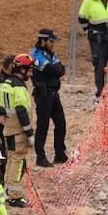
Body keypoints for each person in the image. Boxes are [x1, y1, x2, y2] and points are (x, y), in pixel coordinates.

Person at [30, 28, 68, 167]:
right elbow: (52, 70)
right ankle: (40, 157)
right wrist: (55, 70)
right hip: (43, 94)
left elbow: (60, 69)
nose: (53, 44)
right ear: (43, 40)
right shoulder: (35, 54)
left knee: (61, 123)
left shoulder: (49, 53)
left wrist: (56, 70)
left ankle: (60, 154)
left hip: (53, 94)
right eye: (51, 41)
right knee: (42, 127)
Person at [2, 53, 36, 207]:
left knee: (11, 160)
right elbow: (21, 110)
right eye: (29, 70)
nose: (31, 73)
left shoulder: (7, 83)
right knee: (17, 161)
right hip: (18, 131)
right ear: (22, 70)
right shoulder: (19, 87)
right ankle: (14, 196)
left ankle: (7, 191)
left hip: (8, 129)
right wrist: (29, 133)